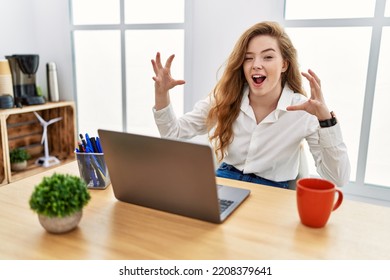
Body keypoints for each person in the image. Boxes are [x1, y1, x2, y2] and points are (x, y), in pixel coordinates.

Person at [151, 21, 350, 189]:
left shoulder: (303, 110)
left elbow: (337, 178)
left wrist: (326, 120)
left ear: (284, 64)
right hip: (226, 179)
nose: (256, 64)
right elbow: (173, 133)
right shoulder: (226, 97)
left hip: (273, 191)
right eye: (248, 58)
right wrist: (161, 94)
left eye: (268, 56)